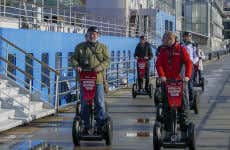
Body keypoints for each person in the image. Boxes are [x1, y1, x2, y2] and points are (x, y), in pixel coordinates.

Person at [72, 26, 110, 134]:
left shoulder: (103, 47)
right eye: (90, 34)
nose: (92, 35)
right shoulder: (80, 47)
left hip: (97, 80)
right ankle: (85, 126)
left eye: (94, 34)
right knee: (84, 104)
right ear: (87, 35)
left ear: (98, 35)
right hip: (85, 81)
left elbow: (107, 60)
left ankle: (100, 126)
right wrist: (76, 66)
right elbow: (73, 59)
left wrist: (100, 67)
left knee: (100, 103)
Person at [156, 31, 193, 136]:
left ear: (172, 39)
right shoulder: (163, 51)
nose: (165, 42)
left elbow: (189, 62)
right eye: (164, 40)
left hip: (180, 82)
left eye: (167, 40)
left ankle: (185, 130)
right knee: (167, 107)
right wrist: (162, 75)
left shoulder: (181, 49)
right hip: (167, 82)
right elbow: (158, 64)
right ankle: (168, 131)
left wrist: (187, 76)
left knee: (184, 106)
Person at [182, 32, 199, 107]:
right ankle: (181, 100)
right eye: (185, 36)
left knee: (190, 84)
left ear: (190, 37)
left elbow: (196, 56)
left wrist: (192, 62)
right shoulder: (180, 45)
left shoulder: (193, 46)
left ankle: (191, 101)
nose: (187, 38)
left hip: (190, 66)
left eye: (188, 36)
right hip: (182, 66)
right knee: (180, 84)